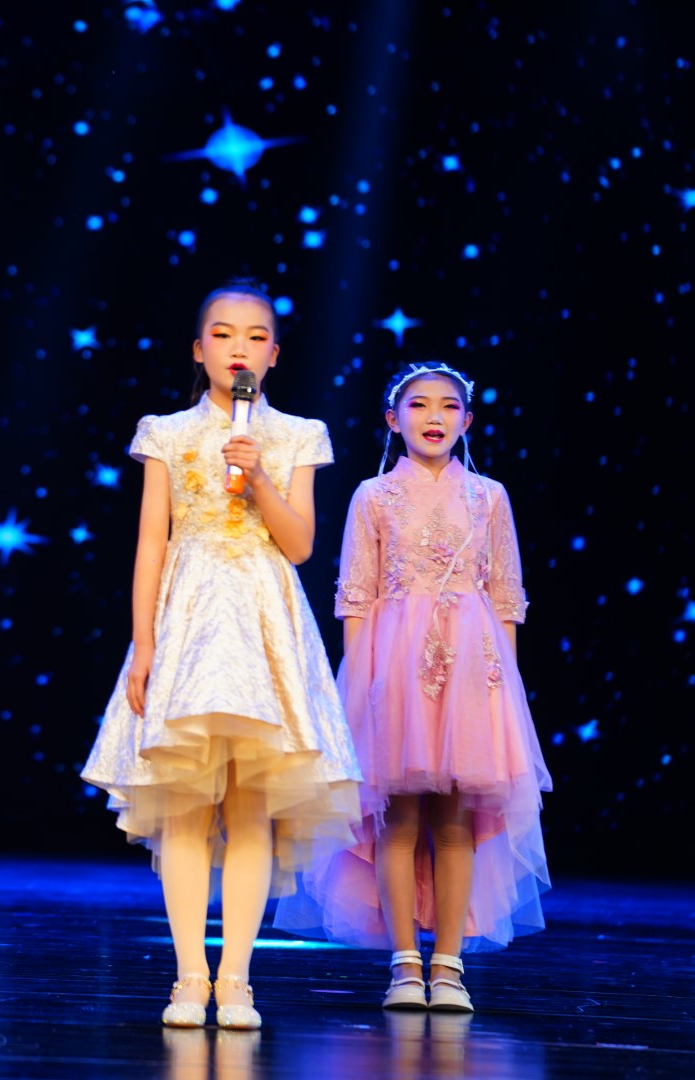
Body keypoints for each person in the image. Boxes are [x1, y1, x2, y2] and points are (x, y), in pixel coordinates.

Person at [81, 279, 362, 1031]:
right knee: (183, 805)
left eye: (255, 336)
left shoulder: (298, 433)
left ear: (274, 354)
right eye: (224, 334)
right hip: (188, 619)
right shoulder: (166, 432)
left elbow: (299, 545)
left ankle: (235, 979)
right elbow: (152, 540)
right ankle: (188, 976)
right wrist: (143, 646)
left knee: (251, 808)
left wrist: (259, 474)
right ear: (198, 348)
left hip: (265, 623)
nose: (239, 348)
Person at [274, 362, 551, 1012]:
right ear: (392, 420)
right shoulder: (374, 496)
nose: (434, 417)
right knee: (396, 819)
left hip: (471, 674)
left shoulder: (490, 497)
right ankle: (403, 964)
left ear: (467, 421)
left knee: (455, 820)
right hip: (393, 674)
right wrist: (363, 687)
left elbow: (506, 598)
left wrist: (502, 689)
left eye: (448, 406)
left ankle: (448, 966)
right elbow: (355, 596)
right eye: (419, 405)